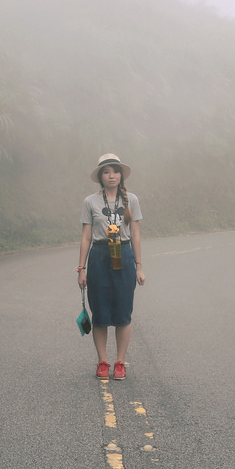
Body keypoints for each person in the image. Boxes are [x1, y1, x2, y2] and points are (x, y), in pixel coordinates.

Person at [78, 153, 145, 380]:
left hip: (124, 254)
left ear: (121, 175)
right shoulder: (90, 202)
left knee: (123, 311)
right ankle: (103, 362)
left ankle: (120, 362)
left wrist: (139, 265)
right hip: (99, 256)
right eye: (106, 172)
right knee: (101, 313)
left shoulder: (131, 200)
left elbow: (135, 233)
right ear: (100, 176)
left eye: (115, 171)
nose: (111, 176)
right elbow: (86, 236)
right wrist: (81, 269)